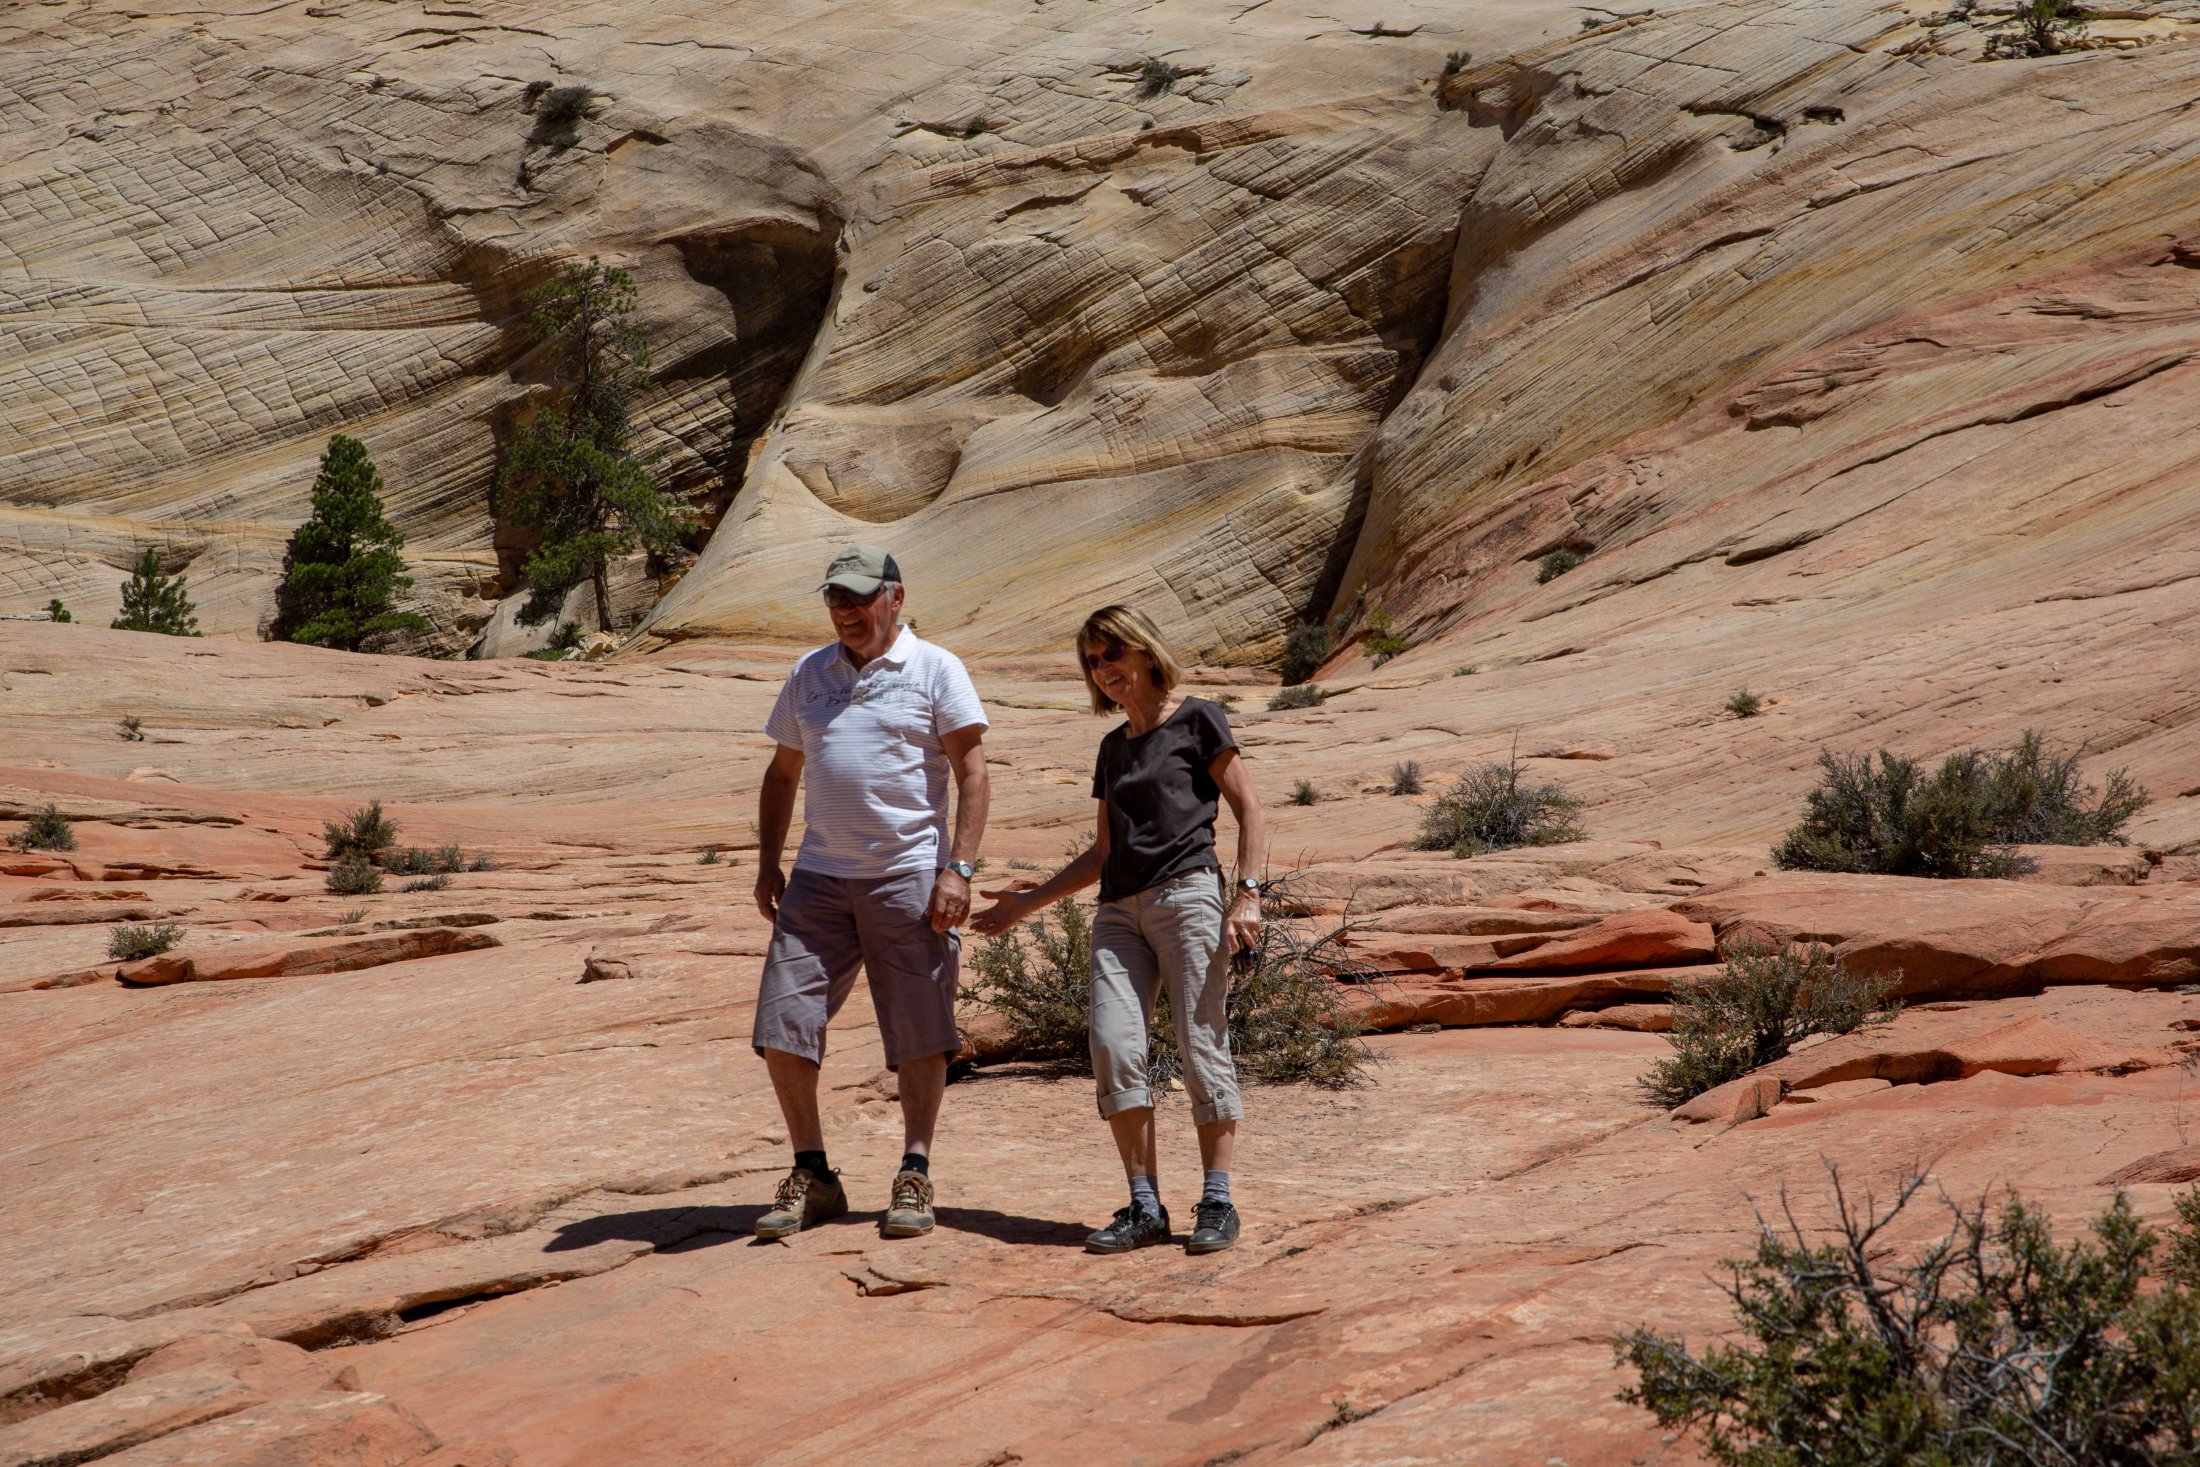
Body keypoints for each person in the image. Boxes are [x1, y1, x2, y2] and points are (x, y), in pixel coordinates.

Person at [971, 605, 1265, 1255]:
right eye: (1091, 661)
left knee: (1200, 1042)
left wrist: (1247, 893)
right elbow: (1103, 851)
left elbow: (1249, 807)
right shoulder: (1112, 748)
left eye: (1111, 654)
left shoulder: (1198, 719)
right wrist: (1028, 902)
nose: (1102, 669)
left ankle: (1217, 1200)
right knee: (1112, 1043)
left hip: (1187, 897)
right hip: (1118, 913)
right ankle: (1145, 1206)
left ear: (1145, 652)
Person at [749, 545, 989, 1242]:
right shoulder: (809, 672)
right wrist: (768, 862)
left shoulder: (936, 668)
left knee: (919, 1026)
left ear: (895, 597)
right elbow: (782, 773)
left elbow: (973, 772)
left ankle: (914, 1169)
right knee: (782, 1020)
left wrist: (959, 869)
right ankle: (813, 1172)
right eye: (835, 598)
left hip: (908, 873)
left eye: (859, 597)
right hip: (819, 875)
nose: (846, 611)